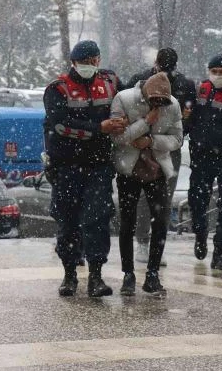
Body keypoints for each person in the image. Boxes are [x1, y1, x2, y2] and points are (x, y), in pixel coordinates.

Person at [43, 40, 127, 298]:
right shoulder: (58, 89)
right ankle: (69, 274)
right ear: (73, 63)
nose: (89, 67)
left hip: (99, 166)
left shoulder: (111, 82)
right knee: (68, 222)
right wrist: (97, 129)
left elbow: (128, 104)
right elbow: (59, 125)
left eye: (93, 61)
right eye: (84, 63)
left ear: (99, 60)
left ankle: (96, 276)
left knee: (97, 220)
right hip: (67, 166)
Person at [110, 72, 183, 296]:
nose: (158, 105)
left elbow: (177, 139)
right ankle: (128, 274)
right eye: (154, 100)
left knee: (160, 221)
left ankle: (152, 274)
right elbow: (118, 138)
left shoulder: (173, 105)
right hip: (129, 169)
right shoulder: (123, 99)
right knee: (128, 221)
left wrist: (151, 141)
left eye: (163, 102)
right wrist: (145, 123)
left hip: (157, 169)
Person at [125, 48, 196, 259]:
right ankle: (143, 242)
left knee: (162, 200)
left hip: (166, 148)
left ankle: (156, 244)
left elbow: (189, 121)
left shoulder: (184, 85)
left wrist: (178, 125)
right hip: (143, 148)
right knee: (146, 199)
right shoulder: (140, 80)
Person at [187, 53, 222, 271]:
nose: (218, 75)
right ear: (208, 71)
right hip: (201, 157)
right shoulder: (200, 89)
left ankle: (220, 252)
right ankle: (200, 235)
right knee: (197, 201)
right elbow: (189, 119)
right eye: (215, 72)